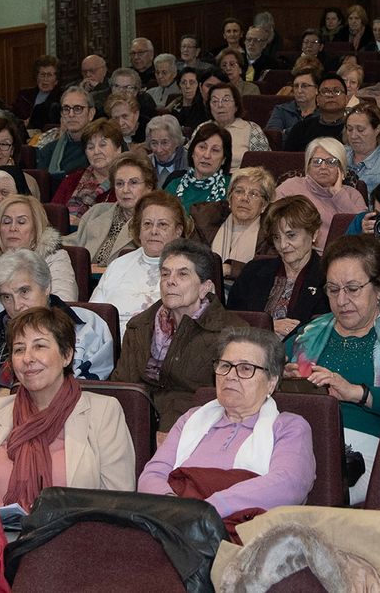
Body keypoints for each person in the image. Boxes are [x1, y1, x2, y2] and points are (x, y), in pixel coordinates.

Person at [280, 233, 380, 504]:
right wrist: (280, 378)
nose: (341, 300)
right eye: (333, 289)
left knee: (312, 491)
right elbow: (263, 368)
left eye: (353, 288)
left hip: (367, 451)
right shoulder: (310, 332)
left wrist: (357, 393)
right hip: (299, 442)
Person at [0, 306, 135, 511]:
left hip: (72, 537)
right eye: (19, 349)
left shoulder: (104, 412)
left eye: (40, 346)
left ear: (67, 355)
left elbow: (117, 501)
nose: (27, 358)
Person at [139, 326, 317, 519]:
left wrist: (208, 510)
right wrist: (174, 510)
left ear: (271, 382)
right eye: (225, 366)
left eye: (245, 368)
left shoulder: (290, 427)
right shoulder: (191, 418)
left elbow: (288, 485)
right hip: (174, 521)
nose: (230, 376)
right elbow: (152, 474)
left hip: (243, 531)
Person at [112, 239, 244, 433]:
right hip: (136, 425)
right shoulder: (139, 326)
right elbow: (122, 387)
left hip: (200, 429)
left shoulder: (233, 333)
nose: (170, 281)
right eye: (165, 273)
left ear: (204, 288)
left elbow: (232, 399)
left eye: (182, 274)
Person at [0, 249, 115, 392]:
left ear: (46, 287)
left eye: (24, 292)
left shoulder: (87, 326)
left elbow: (92, 386)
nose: (17, 305)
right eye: (7, 297)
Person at [229, 195, 329, 339]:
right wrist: (266, 326)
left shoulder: (328, 277)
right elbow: (229, 319)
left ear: (314, 233)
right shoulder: (254, 271)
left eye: (291, 235)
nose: (283, 245)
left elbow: (329, 329)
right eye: (277, 237)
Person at [90, 191, 190, 332]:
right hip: (112, 345)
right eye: (147, 224)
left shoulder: (191, 268)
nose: (153, 231)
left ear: (178, 231)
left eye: (162, 225)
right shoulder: (118, 265)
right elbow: (93, 315)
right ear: (139, 229)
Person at [72, 153, 155, 273]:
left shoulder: (153, 223)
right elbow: (75, 243)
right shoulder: (97, 212)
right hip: (84, 284)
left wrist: (104, 271)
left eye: (133, 183)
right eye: (119, 183)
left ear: (149, 187)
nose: (125, 190)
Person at [274, 138, 366, 242]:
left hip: (343, 254)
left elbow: (363, 229)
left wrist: (339, 194)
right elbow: (272, 224)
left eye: (331, 162)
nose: (323, 167)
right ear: (307, 167)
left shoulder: (352, 194)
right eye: (317, 161)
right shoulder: (290, 187)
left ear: (341, 168)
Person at [193, 167, 275, 282]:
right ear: (229, 198)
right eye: (239, 191)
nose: (244, 198)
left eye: (253, 194)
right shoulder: (206, 221)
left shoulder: (271, 232)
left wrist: (231, 269)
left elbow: (269, 272)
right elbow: (191, 259)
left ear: (264, 205)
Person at [49, 117, 124, 228]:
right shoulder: (72, 180)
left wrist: (82, 224)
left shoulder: (126, 183)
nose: (96, 151)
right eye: (90, 147)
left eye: (102, 145)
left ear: (118, 150)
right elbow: (52, 214)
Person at [166, 122, 233, 210]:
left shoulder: (232, 188)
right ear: (192, 152)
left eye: (215, 150)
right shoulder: (174, 186)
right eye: (202, 147)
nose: (207, 155)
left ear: (224, 159)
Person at [37, 86, 95, 180]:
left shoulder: (102, 149)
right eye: (66, 109)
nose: (71, 114)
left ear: (91, 113)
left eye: (78, 109)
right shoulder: (48, 151)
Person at [283, 74, 349, 153]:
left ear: (346, 99)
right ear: (317, 100)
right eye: (325, 91)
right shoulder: (301, 128)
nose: (331, 95)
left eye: (336, 91)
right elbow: (287, 159)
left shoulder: (352, 129)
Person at [209, 81, 268, 168]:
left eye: (226, 100)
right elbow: (188, 158)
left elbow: (263, 162)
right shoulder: (203, 128)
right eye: (214, 101)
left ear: (236, 106)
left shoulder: (252, 128)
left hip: (240, 178)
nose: (220, 105)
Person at [14, 56, 63, 130]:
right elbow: (13, 116)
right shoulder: (24, 95)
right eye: (42, 74)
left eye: (49, 75)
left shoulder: (62, 98)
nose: (45, 79)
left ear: (56, 80)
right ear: (36, 77)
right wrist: (21, 123)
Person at [144, 114, 188, 190]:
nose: (159, 150)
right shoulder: (144, 164)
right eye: (154, 143)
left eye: (165, 143)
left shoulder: (190, 163)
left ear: (176, 141)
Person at [167, 67, 210, 132]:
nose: (187, 86)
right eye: (184, 82)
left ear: (199, 86)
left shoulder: (204, 109)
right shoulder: (175, 107)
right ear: (179, 86)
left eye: (192, 82)